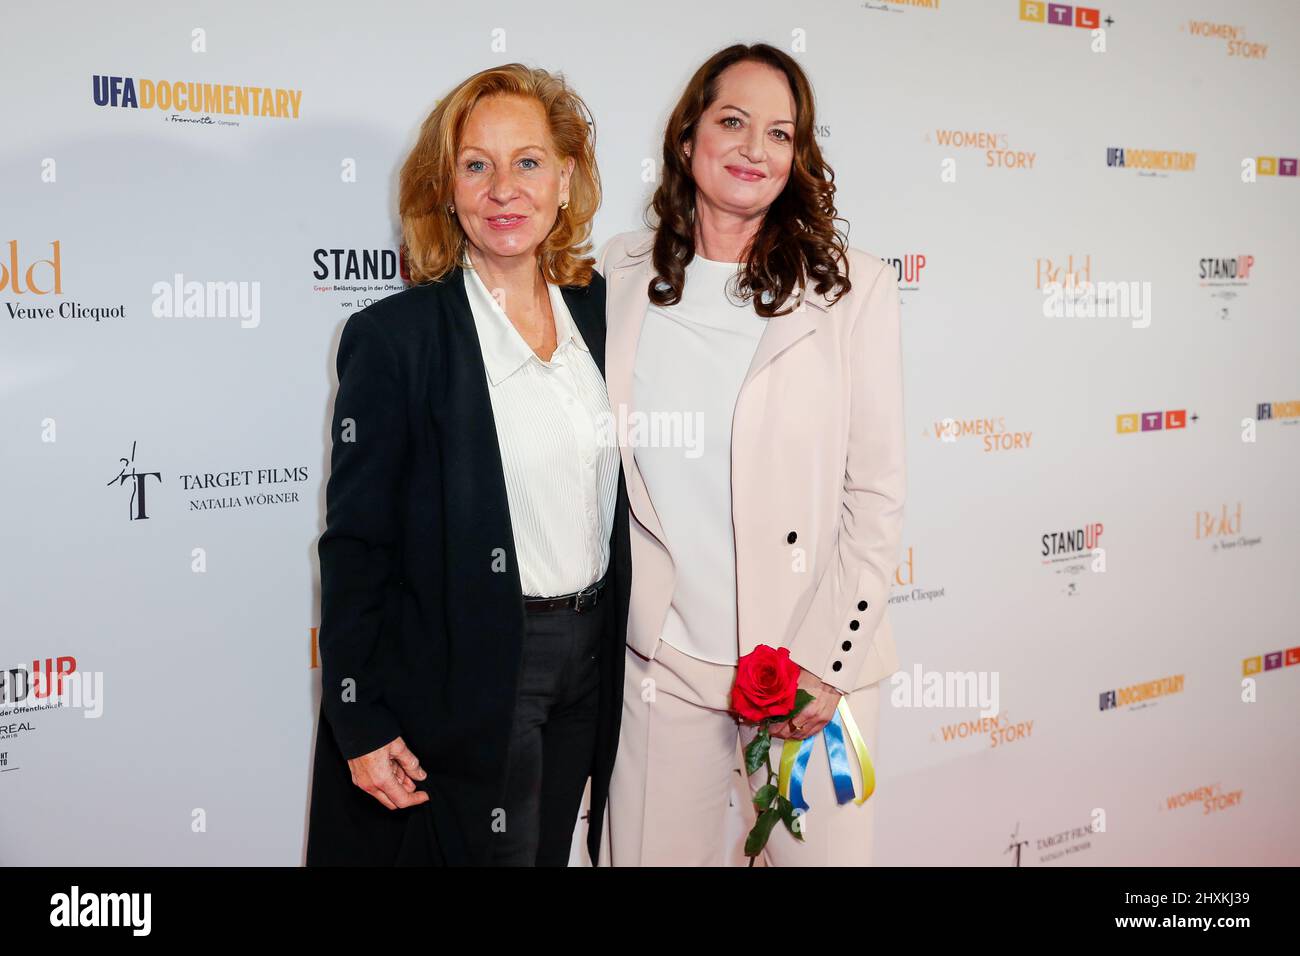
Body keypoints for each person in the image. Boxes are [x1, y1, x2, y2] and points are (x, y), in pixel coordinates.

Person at [306, 63, 630, 866]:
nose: (503, 188)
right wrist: (361, 716)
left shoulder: (608, 313)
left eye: (527, 162)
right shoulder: (396, 338)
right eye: (475, 164)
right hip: (476, 668)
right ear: (446, 189)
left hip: (593, 661)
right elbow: (356, 544)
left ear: (565, 180)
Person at [598, 43, 905, 866]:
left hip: (808, 670)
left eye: (780, 133)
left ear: (799, 155)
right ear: (688, 135)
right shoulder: (615, 274)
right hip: (664, 664)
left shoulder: (852, 288)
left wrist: (826, 662)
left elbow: (875, 494)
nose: (753, 150)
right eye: (732, 121)